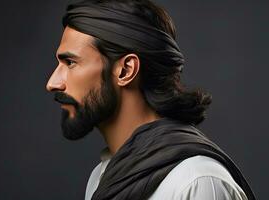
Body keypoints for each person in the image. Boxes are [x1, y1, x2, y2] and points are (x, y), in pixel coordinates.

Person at [45, 0, 256, 199]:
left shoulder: (197, 182)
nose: (53, 83)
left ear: (126, 70)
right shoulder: (101, 178)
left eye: (70, 62)